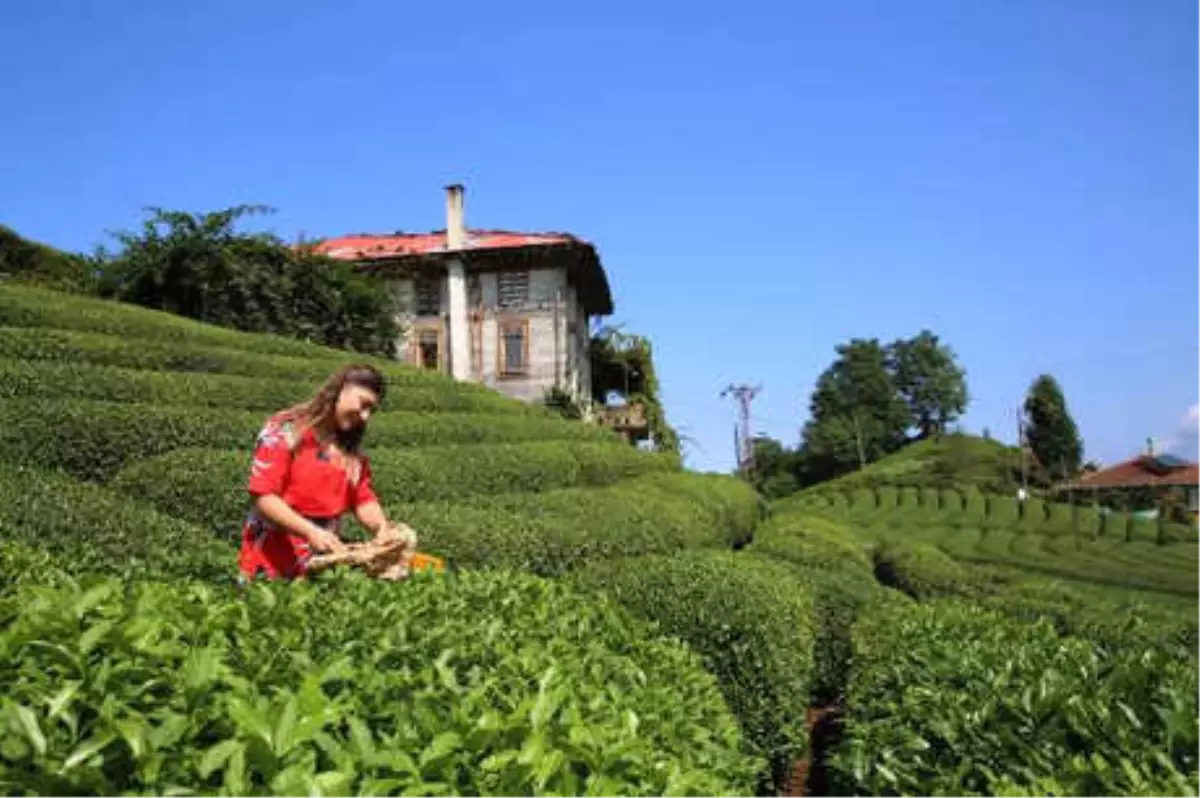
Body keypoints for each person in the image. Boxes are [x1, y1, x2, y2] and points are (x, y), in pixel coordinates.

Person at [237, 363, 413, 582]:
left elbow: (362, 499)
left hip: (322, 564)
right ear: (340, 390)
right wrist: (311, 532)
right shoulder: (287, 430)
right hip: (270, 561)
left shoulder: (350, 452)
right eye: (363, 404)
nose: (366, 416)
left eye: (372, 410)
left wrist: (382, 529)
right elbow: (264, 495)